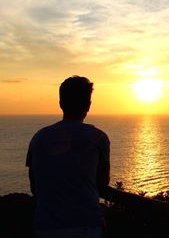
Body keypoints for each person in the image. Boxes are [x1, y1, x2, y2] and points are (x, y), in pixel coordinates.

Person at [26, 76, 110, 238]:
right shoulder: (98, 138)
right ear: (88, 105)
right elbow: (102, 184)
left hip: (45, 226)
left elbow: (34, 186)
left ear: (60, 103)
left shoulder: (39, 138)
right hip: (86, 226)